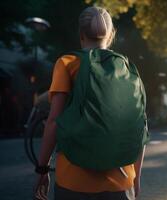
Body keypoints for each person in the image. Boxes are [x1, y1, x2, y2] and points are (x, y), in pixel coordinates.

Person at [33, 6, 146, 200]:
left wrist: (42, 169)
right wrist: (136, 176)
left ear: (81, 34)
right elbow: (140, 126)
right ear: (111, 34)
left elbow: (53, 122)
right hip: (120, 181)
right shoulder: (126, 68)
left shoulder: (68, 63)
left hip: (73, 181)